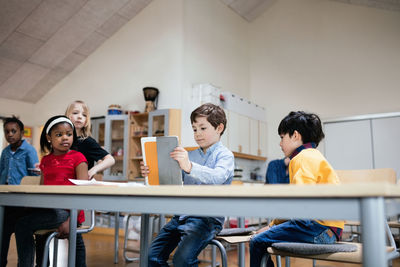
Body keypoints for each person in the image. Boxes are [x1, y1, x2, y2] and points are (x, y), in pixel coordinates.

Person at [141, 103, 234, 266]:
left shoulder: (225, 155)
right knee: (151, 257)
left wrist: (189, 166)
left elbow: (217, 177)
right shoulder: (188, 155)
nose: (197, 134)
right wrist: (151, 172)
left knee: (182, 260)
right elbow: (171, 180)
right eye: (194, 129)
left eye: (203, 128)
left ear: (219, 128)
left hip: (207, 218)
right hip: (182, 215)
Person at [249, 111, 345, 267]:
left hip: (318, 228)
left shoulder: (302, 158)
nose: (280, 144)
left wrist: (272, 227)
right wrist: (273, 226)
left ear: (295, 135)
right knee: (263, 238)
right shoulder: (313, 155)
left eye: (282, 137)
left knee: (257, 241)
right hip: (328, 229)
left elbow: (299, 203)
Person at [14, 115, 89, 267]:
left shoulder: (78, 158)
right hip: (48, 210)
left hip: (69, 212)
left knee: (22, 225)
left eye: (69, 134)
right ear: (49, 137)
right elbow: (42, 191)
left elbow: (84, 192)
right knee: (24, 224)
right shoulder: (46, 160)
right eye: (59, 135)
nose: (65, 138)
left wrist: (71, 220)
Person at [0, 116, 39, 267]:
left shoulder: (29, 150)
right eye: (7, 131)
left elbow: (34, 174)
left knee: (23, 238)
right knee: (2, 235)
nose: (10, 134)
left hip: (23, 202)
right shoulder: (5, 152)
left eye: (13, 131)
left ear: (22, 132)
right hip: (6, 200)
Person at [65, 100, 115, 179]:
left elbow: (110, 159)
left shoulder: (87, 141)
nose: (80, 116)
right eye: (75, 113)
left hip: (80, 187)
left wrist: (93, 170)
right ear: (67, 116)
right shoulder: (62, 140)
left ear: (86, 121)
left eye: (84, 115)